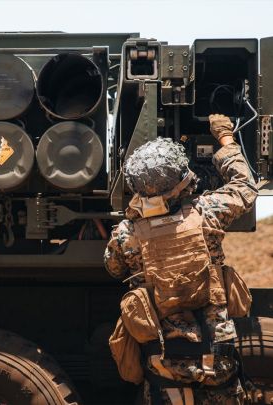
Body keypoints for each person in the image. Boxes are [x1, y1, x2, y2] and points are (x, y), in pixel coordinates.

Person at [105, 114, 258, 404]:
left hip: (165, 365)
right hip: (217, 360)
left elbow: (113, 267)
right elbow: (245, 186)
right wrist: (225, 137)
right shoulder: (207, 212)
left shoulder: (128, 233)